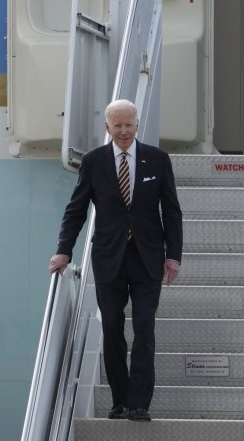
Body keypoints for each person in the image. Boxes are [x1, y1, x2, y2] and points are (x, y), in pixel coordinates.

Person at [48, 99, 183, 422]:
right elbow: (76, 209)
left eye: (129, 125)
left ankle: (140, 403)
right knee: (111, 328)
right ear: (107, 127)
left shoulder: (157, 159)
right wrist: (64, 250)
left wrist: (174, 256)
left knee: (144, 328)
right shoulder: (94, 161)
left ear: (137, 125)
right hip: (109, 258)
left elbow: (171, 210)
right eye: (117, 125)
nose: (124, 131)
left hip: (148, 258)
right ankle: (120, 400)